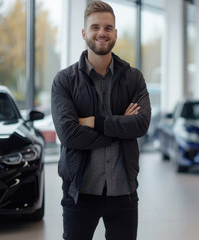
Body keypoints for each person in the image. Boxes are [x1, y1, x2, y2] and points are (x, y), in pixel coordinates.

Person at [51, 1, 151, 239]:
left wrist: (92, 122)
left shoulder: (133, 78)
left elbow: (140, 124)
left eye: (108, 27)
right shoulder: (64, 80)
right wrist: (120, 126)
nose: (102, 33)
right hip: (80, 191)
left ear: (115, 33)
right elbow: (68, 134)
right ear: (85, 33)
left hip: (123, 191)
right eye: (95, 27)